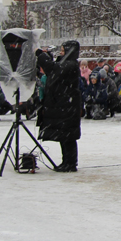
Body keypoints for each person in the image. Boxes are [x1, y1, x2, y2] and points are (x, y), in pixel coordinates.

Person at [36, 40, 83, 172]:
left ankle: (70, 163)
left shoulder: (71, 64)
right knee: (64, 136)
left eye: (63, 51)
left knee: (68, 136)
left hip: (68, 106)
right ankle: (66, 161)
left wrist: (41, 55)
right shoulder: (67, 63)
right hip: (65, 105)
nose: (61, 53)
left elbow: (53, 69)